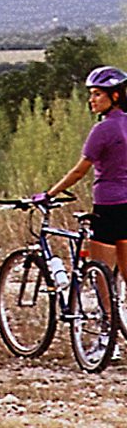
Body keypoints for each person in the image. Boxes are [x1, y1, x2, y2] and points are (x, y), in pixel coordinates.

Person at [37, 66, 127, 298]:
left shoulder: (104, 129)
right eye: (91, 94)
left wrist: (50, 194)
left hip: (109, 207)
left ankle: (107, 326)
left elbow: (79, 172)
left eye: (98, 94)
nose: (91, 100)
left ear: (115, 95)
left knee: (102, 273)